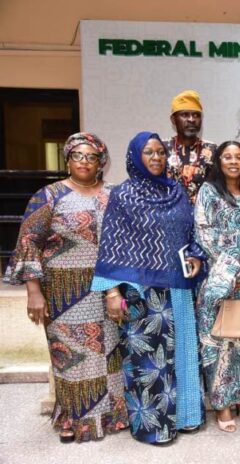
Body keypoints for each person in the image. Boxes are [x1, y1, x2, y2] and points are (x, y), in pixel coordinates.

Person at [4, 133, 128, 443]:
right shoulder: (49, 196)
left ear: (101, 162)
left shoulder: (114, 194)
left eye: (91, 157)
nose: (85, 162)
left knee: (108, 355)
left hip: (108, 287)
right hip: (64, 292)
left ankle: (110, 416)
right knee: (71, 357)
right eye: (78, 156)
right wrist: (33, 291)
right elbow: (28, 241)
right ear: (68, 160)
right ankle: (74, 418)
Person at [91, 131, 206, 445]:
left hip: (178, 287)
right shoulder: (124, 195)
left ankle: (185, 417)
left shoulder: (177, 192)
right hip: (141, 292)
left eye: (159, 152)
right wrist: (112, 293)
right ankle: (154, 427)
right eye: (148, 153)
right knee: (149, 362)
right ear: (135, 157)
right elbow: (111, 244)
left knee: (182, 354)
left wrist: (196, 256)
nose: (156, 158)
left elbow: (191, 232)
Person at [194, 141, 240, 433]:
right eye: (227, 157)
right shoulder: (208, 191)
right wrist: (233, 270)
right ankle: (222, 405)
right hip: (218, 280)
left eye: (239, 157)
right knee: (217, 343)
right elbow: (204, 233)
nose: (233, 162)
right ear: (219, 161)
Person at [164, 90, 217, 203]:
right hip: (169, 216)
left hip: (204, 218)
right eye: (185, 115)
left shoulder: (212, 150)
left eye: (196, 115)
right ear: (173, 120)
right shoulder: (162, 149)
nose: (191, 120)